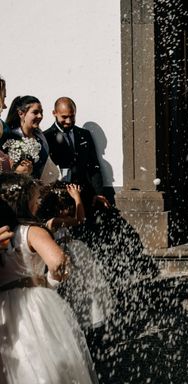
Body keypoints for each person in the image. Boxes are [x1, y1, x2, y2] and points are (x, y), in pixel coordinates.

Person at [0, 173, 97, 383]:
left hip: (3, 306)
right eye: (35, 198)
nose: (39, 202)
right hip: (31, 304)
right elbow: (58, 262)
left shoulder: (4, 233)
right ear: (25, 202)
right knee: (44, 363)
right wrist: (49, 283)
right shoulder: (31, 230)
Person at [37, 181, 114, 331]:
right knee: (69, 292)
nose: (67, 210)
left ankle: (85, 319)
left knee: (84, 288)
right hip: (64, 261)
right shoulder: (52, 222)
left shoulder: (59, 220)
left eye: (69, 206)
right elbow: (79, 220)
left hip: (75, 258)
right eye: (63, 207)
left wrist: (81, 197)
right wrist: (77, 198)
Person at [44, 97, 109, 211]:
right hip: (60, 196)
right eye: (64, 117)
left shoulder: (84, 134)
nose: (69, 121)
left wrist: (99, 193)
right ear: (54, 113)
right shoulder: (46, 137)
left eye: (72, 116)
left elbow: (93, 165)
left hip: (86, 195)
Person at [3, 96, 49, 178]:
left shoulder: (40, 137)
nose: (40, 116)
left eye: (41, 112)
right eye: (35, 112)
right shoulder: (10, 138)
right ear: (21, 114)